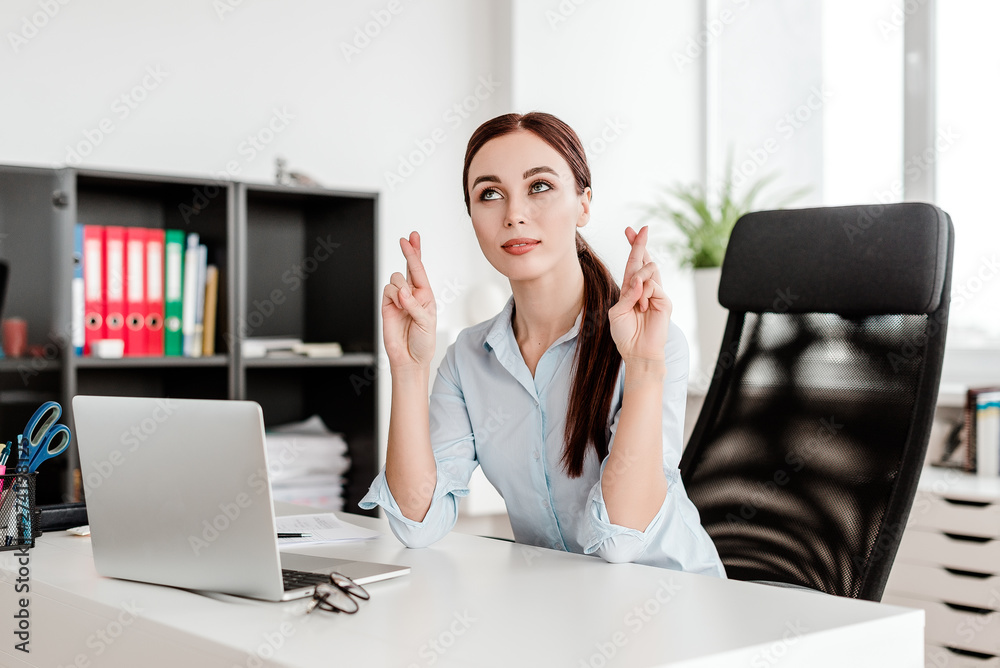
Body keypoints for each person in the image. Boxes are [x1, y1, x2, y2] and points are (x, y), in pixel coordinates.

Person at [360, 112, 725, 576]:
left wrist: (644, 367)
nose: (513, 213)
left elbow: (622, 542)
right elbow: (416, 525)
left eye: (540, 186)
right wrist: (409, 370)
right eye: (489, 194)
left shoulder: (651, 341)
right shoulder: (467, 360)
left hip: (676, 602)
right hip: (561, 609)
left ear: (584, 204)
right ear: (472, 216)